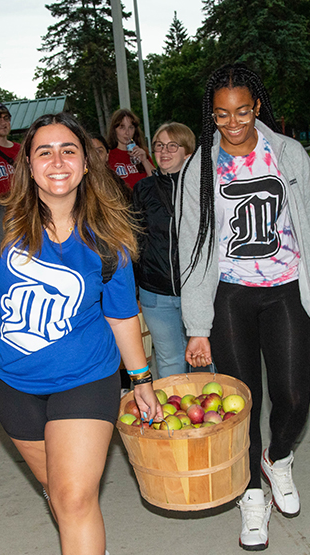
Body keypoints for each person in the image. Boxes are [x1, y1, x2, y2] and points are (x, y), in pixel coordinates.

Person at [0, 112, 162, 555]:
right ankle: (87, 542)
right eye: (43, 151)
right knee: (61, 490)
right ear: (28, 166)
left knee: (73, 495)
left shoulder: (108, 238)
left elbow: (122, 314)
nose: (57, 160)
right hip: (13, 386)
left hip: (86, 378)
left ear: (86, 164)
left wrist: (141, 378)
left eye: (68, 150)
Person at [178, 63, 310, 551]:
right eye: (221, 115)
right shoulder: (201, 167)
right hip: (230, 295)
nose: (233, 123)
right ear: (210, 116)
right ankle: (251, 497)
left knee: (295, 397)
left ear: (256, 107)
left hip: (287, 289)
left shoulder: (288, 154)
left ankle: (277, 460)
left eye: (242, 112)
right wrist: (197, 325)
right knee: (242, 402)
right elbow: (190, 249)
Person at [132, 122, 195, 378]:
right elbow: (133, 240)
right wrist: (135, 287)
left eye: (172, 145)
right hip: (156, 293)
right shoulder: (143, 189)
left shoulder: (203, 188)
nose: (164, 151)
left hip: (197, 292)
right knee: (169, 362)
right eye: (159, 145)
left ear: (187, 152)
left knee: (204, 360)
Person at [106, 109, 154, 191]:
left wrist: (145, 160)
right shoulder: (108, 154)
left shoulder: (141, 152)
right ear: (114, 130)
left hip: (143, 201)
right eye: (122, 127)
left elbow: (157, 181)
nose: (127, 132)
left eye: (131, 127)